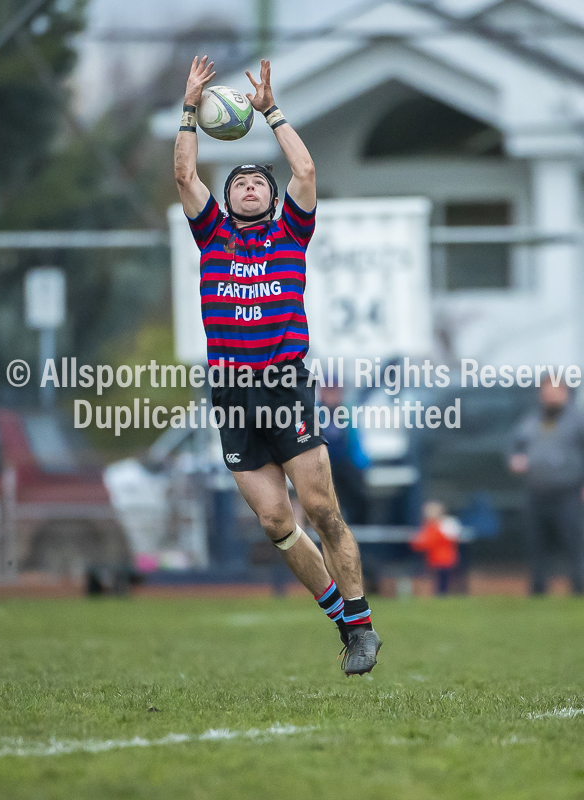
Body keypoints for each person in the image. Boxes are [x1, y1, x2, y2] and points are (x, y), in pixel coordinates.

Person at [174, 56, 381, 675]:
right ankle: (345, 627)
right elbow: (185, 173)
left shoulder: (291, 234)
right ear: (227, 197)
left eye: (258, 182)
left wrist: (271, 112)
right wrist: (190, 107)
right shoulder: (212, 236)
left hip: (285, 386)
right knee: (274, 520)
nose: (248, 187)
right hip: (231, 393)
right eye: (237, 182)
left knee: (322, 511)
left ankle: (363, 621)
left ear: (272, 196)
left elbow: (307, 168)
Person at [509, 377, 584, 595]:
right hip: (536, 492)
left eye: (555, 391)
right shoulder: (530, 420)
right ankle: (539, 590)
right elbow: (512, 446)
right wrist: (514, 459)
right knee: (536, 545)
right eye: (546, 391)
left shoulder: (577, 421)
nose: (550, 395)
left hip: (568, 492)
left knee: (573, 543)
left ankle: (579, 588)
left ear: (566, 393)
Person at [319, 385, 372, 525]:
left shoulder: (346, 413)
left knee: (357, 492)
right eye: (329, 391)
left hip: (344, 464)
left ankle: (359, 531)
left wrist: (362, 466)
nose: (332, 396)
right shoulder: (314, 413)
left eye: (335, 391)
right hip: (322, 465)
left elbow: (355, 444)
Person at [410, 501, 461, 595]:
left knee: (443, 582)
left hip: (445, 559)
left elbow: (451, 538)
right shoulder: (428, 526)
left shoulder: (446, 524)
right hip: (433, 559)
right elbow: (420, 544)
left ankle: (442, 596)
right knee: (437, 582)